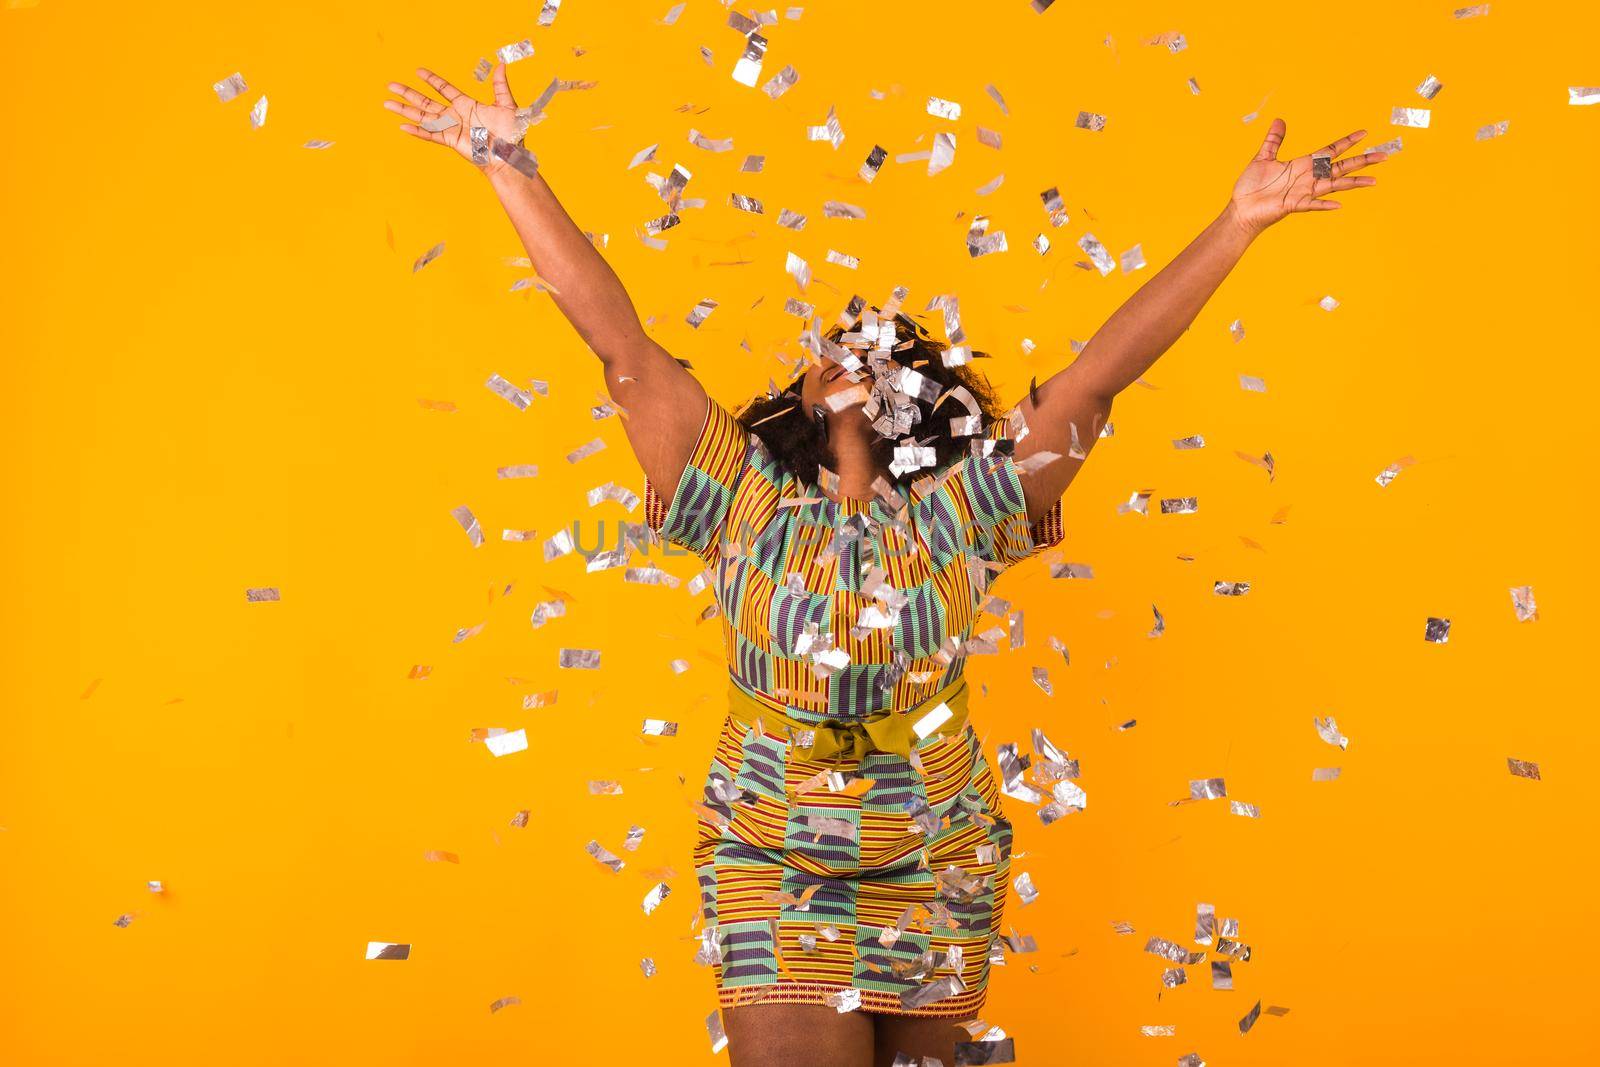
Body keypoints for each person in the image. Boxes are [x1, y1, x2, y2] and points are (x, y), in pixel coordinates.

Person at [385, 62, 1385, 1067]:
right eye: (840, 351)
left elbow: (1097, 380)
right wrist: (506, 162)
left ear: (929, 407)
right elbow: (623, 351)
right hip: (773, 858)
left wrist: (1239, 222)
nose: (860, 359)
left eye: (885, 354)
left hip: (937, 854)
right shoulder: (738, 498)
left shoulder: (964, 514)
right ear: (809, 393)